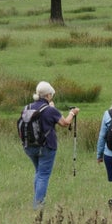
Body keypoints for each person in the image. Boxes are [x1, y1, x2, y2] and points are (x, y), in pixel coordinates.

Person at [22, 81, 79, 210]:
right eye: (51, 95)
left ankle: (37, 200)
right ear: (48, 95)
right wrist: (72, 113)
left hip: (29, 146)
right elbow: (65, 123)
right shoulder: (50, 110)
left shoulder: (27, 107)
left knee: (38, 172)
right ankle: (38, 205)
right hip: (46, 146)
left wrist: (52, 107)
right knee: (43, 174)